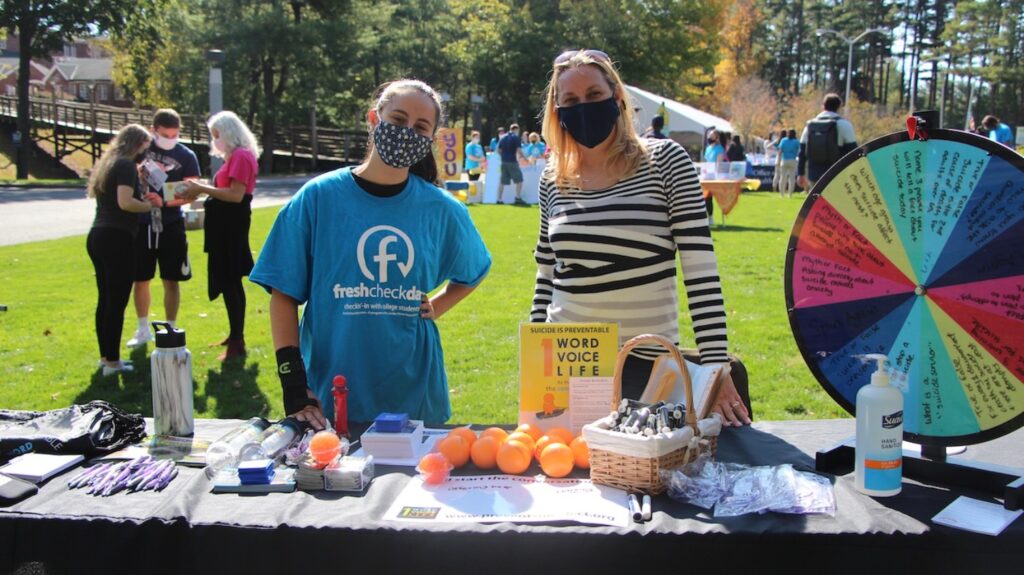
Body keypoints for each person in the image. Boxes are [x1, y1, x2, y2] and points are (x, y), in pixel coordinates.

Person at [249, 79, 491, 430]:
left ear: (430, 138)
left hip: (414, 392)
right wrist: (293, 386)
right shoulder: (318, 198)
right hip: (335, 390)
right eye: (398, 119)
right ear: (374, 119)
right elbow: (283, 294)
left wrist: (437, 305)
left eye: (421, 126)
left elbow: (474, 270)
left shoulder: (441, 209)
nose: (407, 131)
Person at [531, 49, 750, 426]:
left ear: (617, 97)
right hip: (567, 363)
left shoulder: (666, 161)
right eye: (570, 100)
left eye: (594, 95)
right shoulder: (553, 177)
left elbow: (700, 269)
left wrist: (715, 366)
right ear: (556, 110)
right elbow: (546, 273)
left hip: (648, 368)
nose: (582, 107)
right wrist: (534, 356)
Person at [178, 111, 259, 361]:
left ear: (228, 133)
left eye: (217, 136)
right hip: (224, 224)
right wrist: (203, 189)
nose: (215, 141)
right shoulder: (233, 157)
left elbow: (236, 195)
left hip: (231, 226)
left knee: (231, 279)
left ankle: (238, 339)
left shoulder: (242, 156)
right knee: (227, 280)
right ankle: (234, 333)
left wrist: (201, 188)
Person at [86, 124, 163, 375]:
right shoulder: (125, 165)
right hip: (116, 237)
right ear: (136, 144)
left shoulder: (110, 164)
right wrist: (149, 206)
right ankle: (112, 361)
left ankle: (106, 356)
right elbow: (125, 202)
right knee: (116, 301)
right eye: (145, 146)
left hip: (98, 235)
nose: (146, 151)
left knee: (105, 299)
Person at [126, 109, 201, 347]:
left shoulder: (186, 155)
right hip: (142, 223)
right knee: (140, 278)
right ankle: (142, 327)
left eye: (174, 134)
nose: (170, 138)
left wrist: (166, 202)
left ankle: (169, 326)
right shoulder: (142, 150)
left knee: (171, 278)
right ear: (154, 130)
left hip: (171, 223)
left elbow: (191, 192)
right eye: (165, 134)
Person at [798, 92, 857, 191]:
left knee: (816, 205)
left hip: (814, 174)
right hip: (837, 175)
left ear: (823, 106)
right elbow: (853, 152)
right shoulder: (844, 125)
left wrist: (800, 173)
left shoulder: (810, 125)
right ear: (839, 107)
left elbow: (802, 152)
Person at [497, 123, 527, 205]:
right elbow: (519, 150)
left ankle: (499, 199)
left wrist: (503, 156)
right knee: (519, 180)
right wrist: (526, 158)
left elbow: (498, 150)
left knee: (502, 181)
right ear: (516, 129)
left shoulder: (502, 137)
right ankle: (517, 197)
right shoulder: (516, 137)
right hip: (512, 161)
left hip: (504, 161)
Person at [776, 129, 799, 198]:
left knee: (783, 178)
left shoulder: (783, 140)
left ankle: (782, 194)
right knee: (792, 178)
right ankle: (790, 194)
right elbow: (799, 151)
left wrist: (778, 161)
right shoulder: (796, 142)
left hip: (784, 160)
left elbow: (780, 152)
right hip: (793, 160)